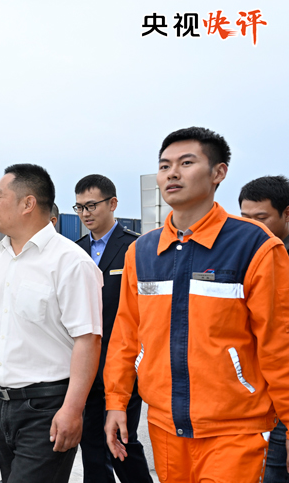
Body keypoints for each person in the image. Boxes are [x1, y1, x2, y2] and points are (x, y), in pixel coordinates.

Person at [104, 127, 289, 483]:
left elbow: (279, 344)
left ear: (219, 172)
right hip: (165, 428)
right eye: (164, 166)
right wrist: (116, 402)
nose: (172, 173)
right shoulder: (141, 252)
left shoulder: (256, 246)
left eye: (186, 163)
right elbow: (126, 335)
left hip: (236, 430)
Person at [0, 163, 103, 483]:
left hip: (47, 407)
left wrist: (72, 409)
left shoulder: (70, 262)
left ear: (27, 203)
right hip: (0, 405)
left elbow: (88, 339)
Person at [73, 175, 151, 483]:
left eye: (92, 205)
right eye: (80, 207)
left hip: (122, 362)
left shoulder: (136, 247)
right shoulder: (75, 251)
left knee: (121, 440)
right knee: (91, 443)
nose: (85, 213)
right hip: (86, 363)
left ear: (113, 203)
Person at [239, 175, 289, 483]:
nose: (252, 227)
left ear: (286, 214)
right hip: (256, 393)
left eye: (261, 218)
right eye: (245, 218)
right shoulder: (242, 256)